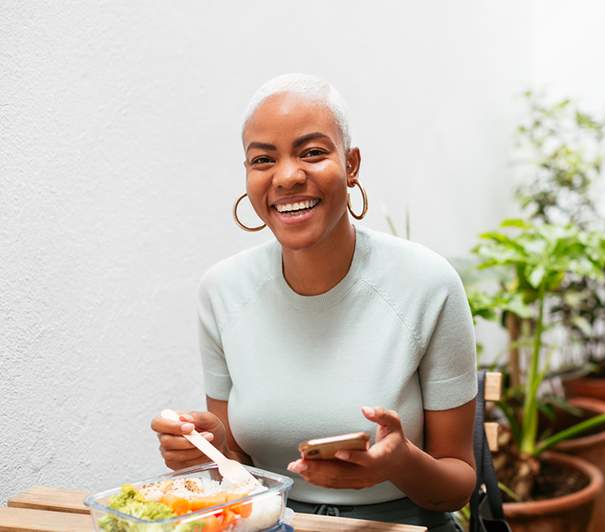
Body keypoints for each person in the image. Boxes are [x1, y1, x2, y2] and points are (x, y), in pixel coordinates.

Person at [150, 73, 477, 531]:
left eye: (312, 152)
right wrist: (213, 447)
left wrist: (398, 464)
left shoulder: (429, 284)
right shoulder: (221, 291)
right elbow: (239, 471)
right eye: (263, 159)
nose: (286, 176)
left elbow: (458, 483)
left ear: (351, 165)